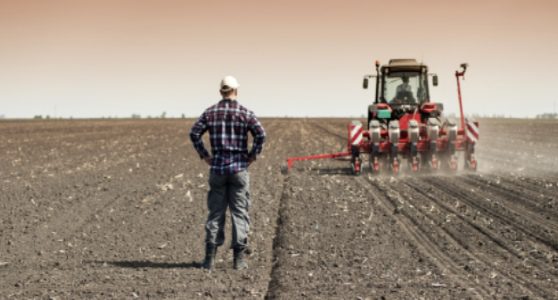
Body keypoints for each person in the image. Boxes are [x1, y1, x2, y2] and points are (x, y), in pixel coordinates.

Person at [189, 76, 266, 270]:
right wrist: (252, 156)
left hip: (217, 169)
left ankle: (210, 260)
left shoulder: (210, 112)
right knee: (240, 213)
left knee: (216, 213)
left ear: (220, 92)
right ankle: (239, 260)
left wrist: (204, 155)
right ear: (236, 91)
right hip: (239, 169)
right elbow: (261, 134)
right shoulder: (245, 113)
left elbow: (194, 133)